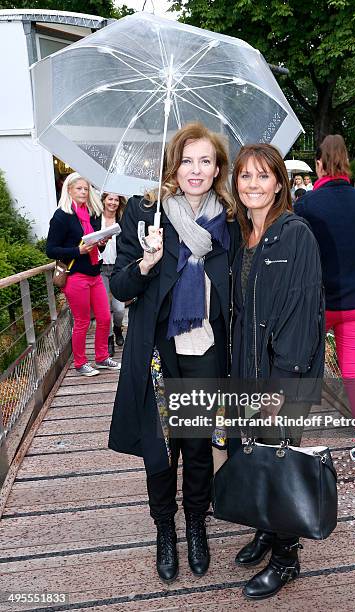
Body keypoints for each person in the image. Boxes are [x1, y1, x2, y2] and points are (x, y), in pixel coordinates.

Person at [108, 122, 240, 583]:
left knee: (199, 447)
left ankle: (196, 524)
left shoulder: (229, 220)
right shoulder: (146, 213)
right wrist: (146, 261)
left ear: (218, 167)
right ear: (174, 165)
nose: (196, 170)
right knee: (161, 449)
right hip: (158, 351)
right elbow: (120, 287)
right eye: (187, 160)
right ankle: (165, 528)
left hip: (206, 348)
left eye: (206, 160)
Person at [229, 144, 324, 601]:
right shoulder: (244, 235)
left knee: (280, 461)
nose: (252, 184)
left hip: (282, 377)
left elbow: (303, 315)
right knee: (257, 458)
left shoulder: (295, 234)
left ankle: (287, 558)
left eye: (262, 176)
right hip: (248, 371)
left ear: (280, 183)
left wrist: (280, 387)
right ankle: (267, 531)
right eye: (245, 176)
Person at [295, 134, 355, 472]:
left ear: (319, 164)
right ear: (346, 162)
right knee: (354, 375)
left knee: (302, 373)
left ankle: (289, 447)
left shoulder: (306, 205)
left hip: (318, 305)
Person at [46, 172, 121, 376]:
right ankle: (80, 363)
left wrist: (102, 242)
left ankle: (102, 358)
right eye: (79, 188)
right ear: (69, 190)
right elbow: (50, 249)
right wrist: (76, 251)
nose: (83, 192)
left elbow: (95, 246)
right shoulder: (61, 216)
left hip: (95, 274)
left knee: (105, 318)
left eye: (86, 189)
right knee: (82, 321)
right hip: (75, 276)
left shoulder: (91, 214)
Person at [100, 192, 127, 356]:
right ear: (103, 200)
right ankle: (108, 339)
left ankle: (118, 329)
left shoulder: (122, 220)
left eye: (116, 200)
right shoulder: (96, 219)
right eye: (110, 199)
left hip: (118, 268)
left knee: (119, 308)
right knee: (104, 308)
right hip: (100, 268)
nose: (113, 202)